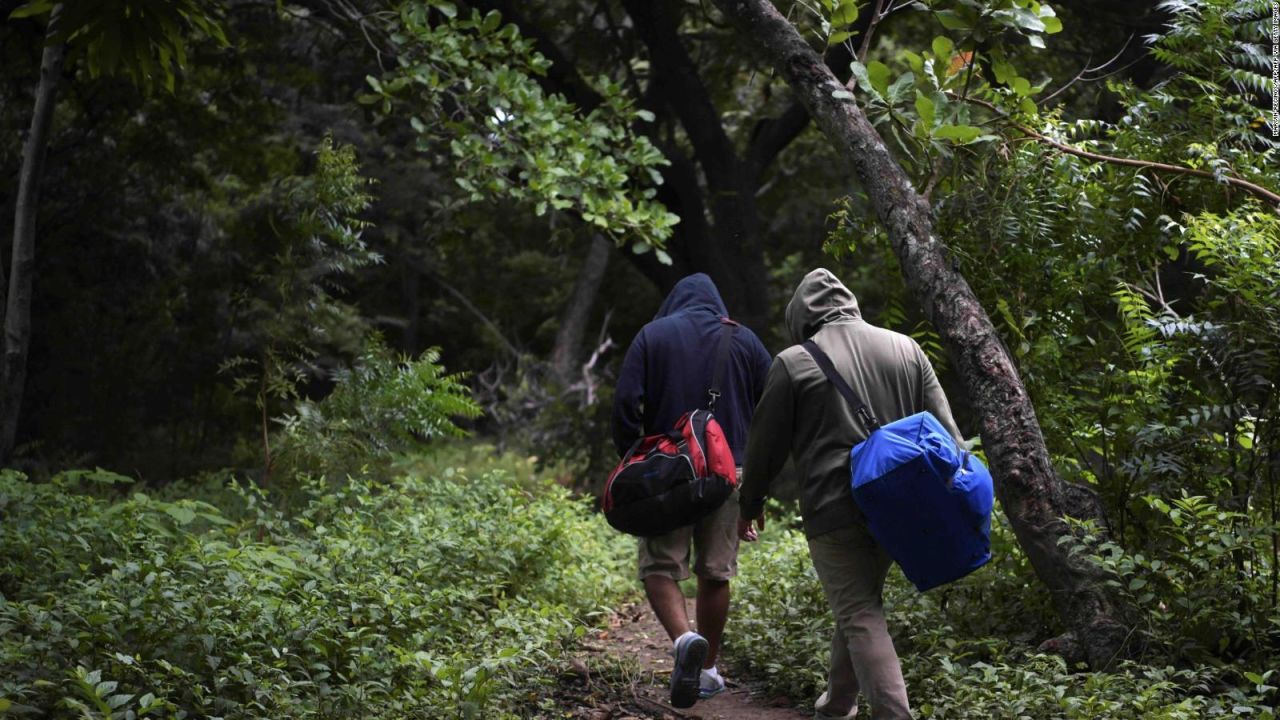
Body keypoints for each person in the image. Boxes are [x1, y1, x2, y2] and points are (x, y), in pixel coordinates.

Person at [737, 268, 964, 720]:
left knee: (859, 611)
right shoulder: (906, 348)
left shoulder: (794, 362)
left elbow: (765, 448)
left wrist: (751, 503)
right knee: (861, 600)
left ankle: (894, 714)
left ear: (800, 316)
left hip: (834, 510)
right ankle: (839, 703)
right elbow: (949, 435)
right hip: (905, 507)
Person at [612, 273, 772, 709]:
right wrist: (756, 482)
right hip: (729, 471)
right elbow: (773, 411)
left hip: (669, 469)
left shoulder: (653, 335)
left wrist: (633, 457)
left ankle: (685, 639)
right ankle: (707, 669)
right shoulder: (747, 341)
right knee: (716, 570)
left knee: (661, 565)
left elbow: (626, 403)